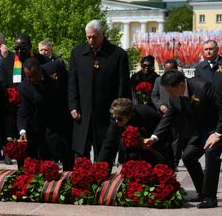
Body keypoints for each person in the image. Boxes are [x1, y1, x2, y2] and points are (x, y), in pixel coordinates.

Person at [144, 70, 222, 208]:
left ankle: (210, 198)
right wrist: (154, 137)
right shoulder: (174, 96)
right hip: (201, 131)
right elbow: (169, 117)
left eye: (170, 90)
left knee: (211, 153)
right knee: (188, 156)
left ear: (181, 85)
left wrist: (217, 134)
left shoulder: (203, 87)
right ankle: (203, 192)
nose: (168, 94)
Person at [68, 19, 131, 159]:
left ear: (102, 34)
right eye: (88, 37)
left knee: (104, 154)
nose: (90, 40)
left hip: (106, 114)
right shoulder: (77, 53)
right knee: (80, 155)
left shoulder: (118, 54)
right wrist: (73, 105)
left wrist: (120, 111)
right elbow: (72, 83)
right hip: (82, 113)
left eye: (94, 37)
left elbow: (123, 85)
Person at [18, 58, 74, 170]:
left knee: (68, 153)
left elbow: (70, 86)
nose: (33, 79)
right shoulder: (24, 87)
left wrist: (74, 107)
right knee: (48, 155)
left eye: (35, 74)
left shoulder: (55, 68)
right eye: (29, 76)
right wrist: (22, 130)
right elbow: (23, 111)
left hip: (65, 116)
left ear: (40, 69)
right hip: (45, 122)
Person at [194, 40, 222, 173]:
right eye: (206, 49)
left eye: (211, 49)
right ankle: (209, 164)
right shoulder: (200, 67)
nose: (208, 51)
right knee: (209, 136)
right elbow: (196, 86)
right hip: (209, 109)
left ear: (217, 49)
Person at [98, 98, 173, 167]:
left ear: (129, 115)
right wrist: (101, 169)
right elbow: (108, 145)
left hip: (157, 141)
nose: (116, 121)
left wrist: (152, 140)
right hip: (135, 149)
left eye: (120, 119)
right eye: (114, 117)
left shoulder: (145, 113)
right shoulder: (116, 121)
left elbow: (163, 130)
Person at [152, 59, 185, 169]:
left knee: (176, 138)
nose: (167, 73)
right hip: (163, 114)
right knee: (162, 137)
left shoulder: (182, 81)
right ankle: (163, 160)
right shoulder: (158, 80)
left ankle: (175, 162)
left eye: (170, 70)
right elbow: (154, 96)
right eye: (165, 70)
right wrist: (160, 105)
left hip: (178, 113)